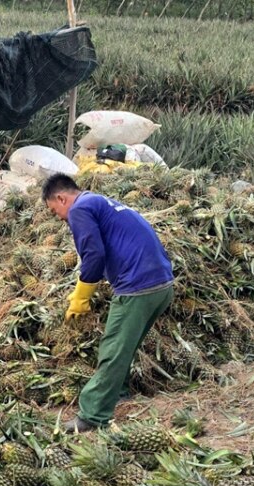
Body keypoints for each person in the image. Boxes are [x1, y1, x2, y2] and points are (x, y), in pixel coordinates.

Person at [42, 173, 175, 433]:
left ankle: (92, 415)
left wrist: (81, 296)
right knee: (125, 346)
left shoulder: (79, 208)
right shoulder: (99, 201)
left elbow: (94, 255)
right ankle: (120, 391)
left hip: (138, 287)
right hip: (162, 284)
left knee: (112, 349)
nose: (58, 217)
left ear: (61, 198)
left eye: (54, 210)